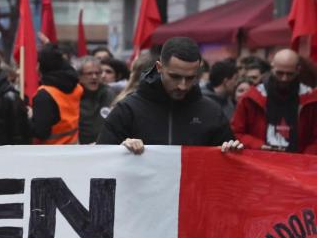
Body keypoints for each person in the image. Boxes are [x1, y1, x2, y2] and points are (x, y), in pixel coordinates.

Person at [97, 37, 242, 154]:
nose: (182, 85)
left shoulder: (211, 112)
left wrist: (231, 150)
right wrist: (119, 150)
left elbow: (229, 170)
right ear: (159, 67)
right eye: (175, 76)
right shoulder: (128, 109)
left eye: (190, 78)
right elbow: (101, 158)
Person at [232, 49, 317, 154]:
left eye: (289, 74)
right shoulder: (251, 98)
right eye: (280, 73)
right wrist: (260, 146)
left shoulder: (311, 100)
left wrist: (305, 159)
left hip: (297, 166)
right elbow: (236, 132)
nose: (284, 78)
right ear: (272, 68)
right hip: (262, 162)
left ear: (298, 70)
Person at [76, 56, 115, 144]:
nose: (94, 77)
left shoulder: (109, 93)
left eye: (97, 73)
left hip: (104, 146)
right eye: (89, 73)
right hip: (80, 148)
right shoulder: (74, 96)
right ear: (80, 76)